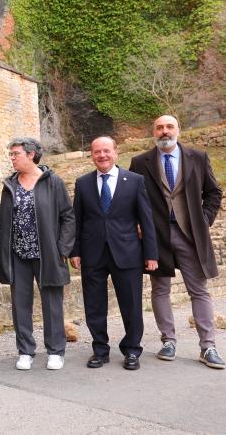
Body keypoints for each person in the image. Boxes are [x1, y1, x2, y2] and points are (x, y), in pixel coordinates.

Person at [129, 115, 225, 369]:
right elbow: (131, 198)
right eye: (159, 127)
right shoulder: (140, 162)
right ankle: (168, 340)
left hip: (190, 236)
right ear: (153, 132)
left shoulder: (198, 158)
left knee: (199, 290)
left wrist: (203, 221)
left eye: (169, 127)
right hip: (156, 236)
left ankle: (208, 346)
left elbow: (214, 192)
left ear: (178, 130)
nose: (164, 131)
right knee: (160, 289)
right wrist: (137, 223)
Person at [70, 137, 158, 371]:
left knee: (131, 305)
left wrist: (151, 254)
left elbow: (146, 220)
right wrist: (75, 251)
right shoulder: (83, 183)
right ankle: (100, 350)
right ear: (92, 155)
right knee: (94, 305)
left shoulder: (135, 181)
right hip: (92, 253)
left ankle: (131, 350)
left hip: (127, 252)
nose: (102, 155)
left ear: (116, 153)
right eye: (97, 152)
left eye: (106, 151)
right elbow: (77, 220)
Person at [0, 137, 75, 371]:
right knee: (20, 304)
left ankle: (56, 351)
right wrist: (3, 246)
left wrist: (62, 248)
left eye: (16, 154)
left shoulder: (53, 182)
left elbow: (68, 217)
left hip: (47, 253)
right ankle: (25, 351)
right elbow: (3, 218)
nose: (12, 158)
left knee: (52, 304)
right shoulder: (10, 185)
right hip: (17, 253)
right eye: (11, 154)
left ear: (31, 155)